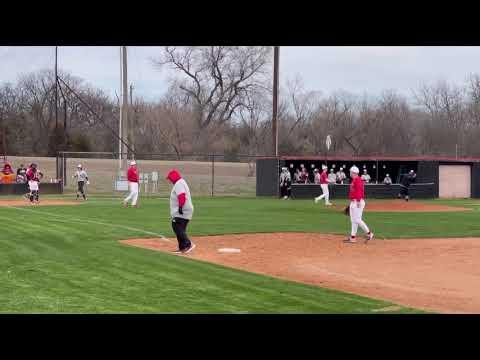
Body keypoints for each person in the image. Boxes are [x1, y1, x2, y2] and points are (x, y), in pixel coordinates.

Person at [167, 169, 195, 254]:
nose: (170, 180)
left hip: (183, 210)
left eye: (170, 178)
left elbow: (181, 196)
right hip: (185, 210)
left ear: (173, 177)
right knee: (180, 228)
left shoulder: (179, 183)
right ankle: (182, 247)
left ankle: (188, 244)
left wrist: (180, 207)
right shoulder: (180, 182)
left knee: (175, 225)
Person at [345, 166, 374, 244]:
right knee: (353, 221)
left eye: (350, 172)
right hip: (354, 202)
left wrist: (357, 201)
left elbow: (359, 191)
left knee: (357, 220)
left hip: (358, 202)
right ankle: (353, 237)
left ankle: (369, 233)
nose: (350, 173)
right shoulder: (355, 180)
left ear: (353, 173)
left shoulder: (358, 180)